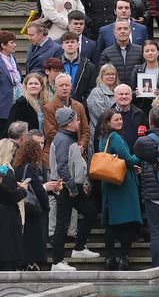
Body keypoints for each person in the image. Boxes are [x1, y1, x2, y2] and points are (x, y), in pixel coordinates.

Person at [49, 107, 99, 271]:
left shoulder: (66, 138)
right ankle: (57, 262)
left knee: (91, 213)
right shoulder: (64, 139)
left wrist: (79, 184)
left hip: (71, 185)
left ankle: (78, 248)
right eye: (76, 119)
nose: (78, 122)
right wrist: (72, 188)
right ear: (69, 123)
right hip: (66, 186)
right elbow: (62, 167)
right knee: (62, 223)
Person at [96, 109, 142, 270]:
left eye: (120, 119)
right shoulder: (115, 137)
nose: (120, 121)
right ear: (107, 122)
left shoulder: (103, 138)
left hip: (109, 184)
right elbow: (128, 160)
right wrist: (140, 155)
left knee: (111, 223)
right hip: (123, 185)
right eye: (116, 119)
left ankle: (109, 257)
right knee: (126, 223)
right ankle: (124, 257)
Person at [13, 136, 57, 271]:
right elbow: (38, 190)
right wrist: (47, 206)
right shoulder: (31, 168)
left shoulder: (16, 167)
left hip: (21, 208)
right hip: (34, 211)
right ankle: (32, 265)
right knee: (34, 241)